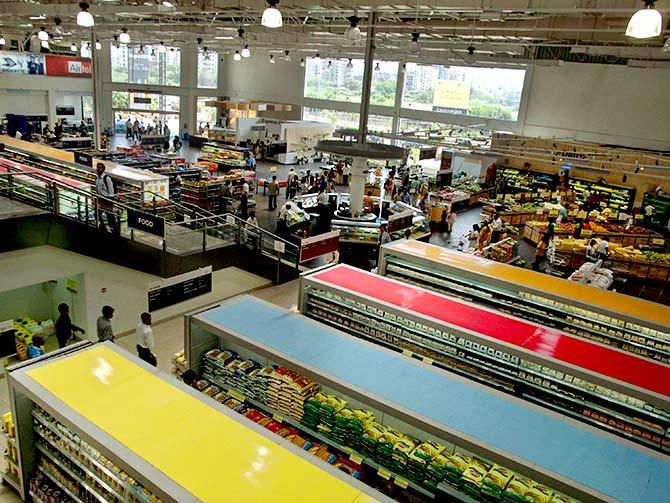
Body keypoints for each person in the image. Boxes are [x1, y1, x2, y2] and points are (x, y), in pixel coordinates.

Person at [95, 162, 119, 234]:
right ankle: (104, 227)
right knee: (97, 214)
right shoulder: (97, 178)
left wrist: (110, 199)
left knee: (109, 215)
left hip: (107, 199)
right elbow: (97, 189)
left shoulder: (107, 178)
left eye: (100, 168)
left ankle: (114, 229)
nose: (98, 169)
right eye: (97, 167)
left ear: (103, 169)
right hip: (100, 199)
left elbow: (111, 190)